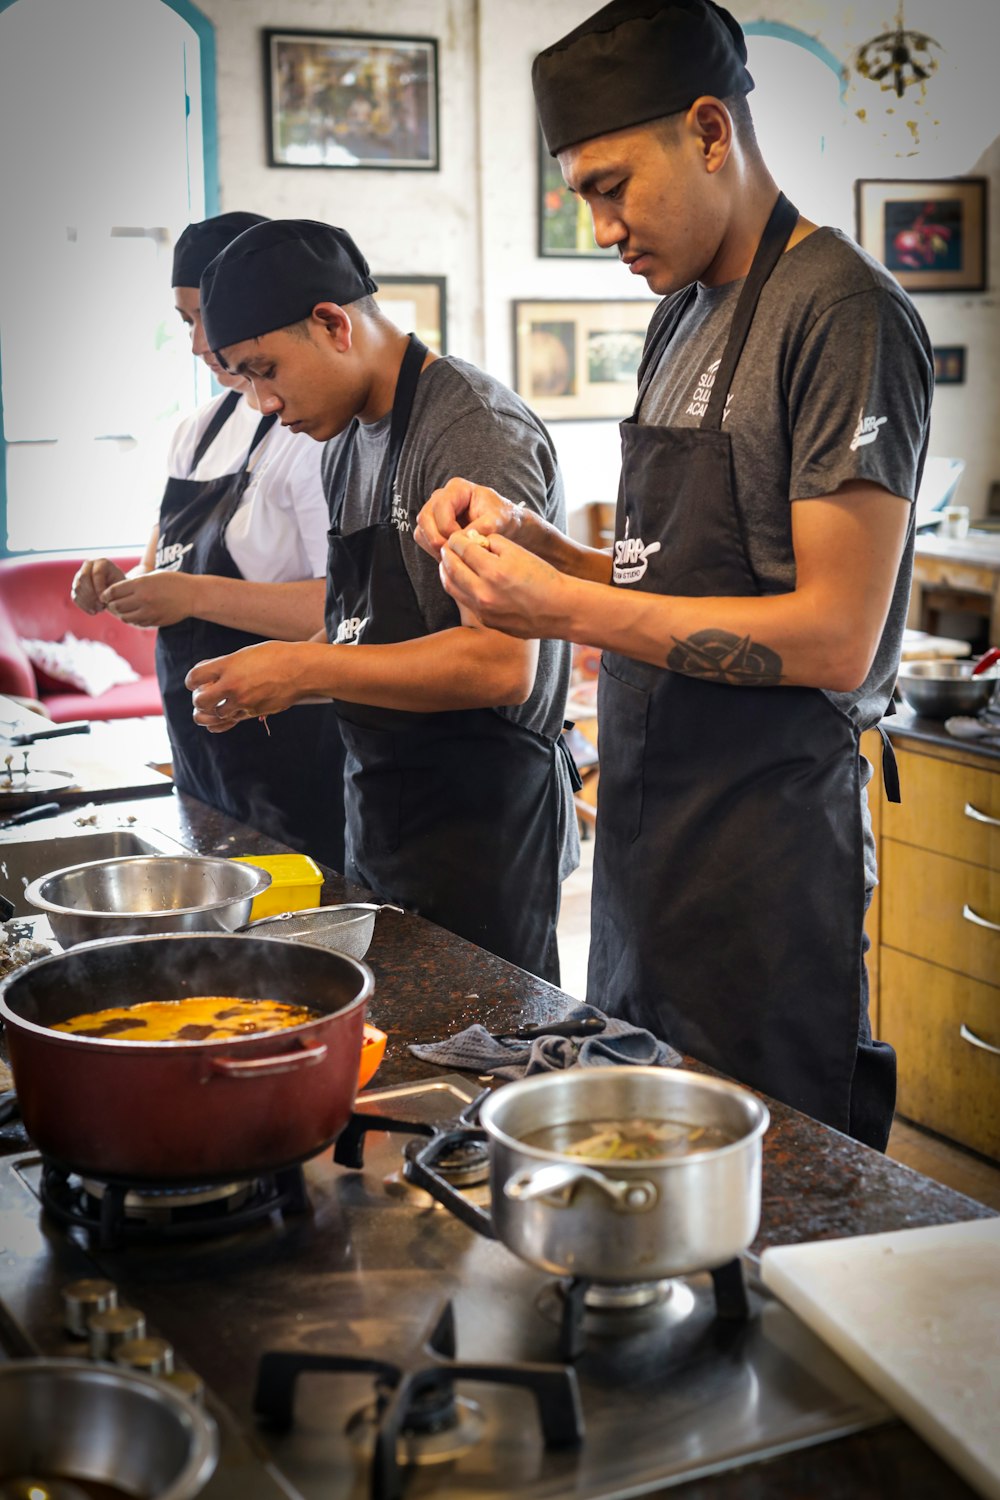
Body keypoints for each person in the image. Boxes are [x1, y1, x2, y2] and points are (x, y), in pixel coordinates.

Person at [415, 0, 934, 1151]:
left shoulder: (842, 312)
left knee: (778, 1199)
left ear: (710, 130)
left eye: (609, 186)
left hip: (764, 865)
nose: (599, 226)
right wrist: (540, 543)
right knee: (646, 1172)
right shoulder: (682, 314)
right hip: (647, 854)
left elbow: (835, 634)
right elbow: (683, 572)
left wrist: (566, 608)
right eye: (582, 197)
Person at [184, 218, 579, 984]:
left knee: (482, 1061)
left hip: (482, 828)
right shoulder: (342, 443)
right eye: (242, 381)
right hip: (381, 812)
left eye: (266, 370)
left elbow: (501, 665)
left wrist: (304, 670)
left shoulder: (470, 428)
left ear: (333, 323)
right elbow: (359, 634)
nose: (263, 403)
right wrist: (267, 677)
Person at [72, 212, 346, 868]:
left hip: (285, 742)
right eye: (186, 320)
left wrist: (191, 592)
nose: (199, 343)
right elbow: (156, 568)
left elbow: (339, 609)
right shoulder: (192, 432)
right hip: (200, 742)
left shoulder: (307, 434)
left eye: (206, 318)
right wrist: (117, 585)